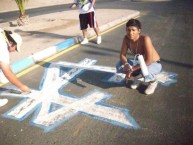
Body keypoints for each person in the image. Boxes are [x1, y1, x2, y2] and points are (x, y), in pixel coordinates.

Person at [116, 19, 162, 95]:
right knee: (120, 64)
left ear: (139, 31)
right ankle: (138, 79)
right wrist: (127, 65)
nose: (130, 33)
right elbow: (122, 55)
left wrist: (132, 70)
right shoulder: (126, 39)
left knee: (145, 71)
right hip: (140, 62)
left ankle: (153, 82)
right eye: (128, 30)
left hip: (153, 63)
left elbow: (148, 61)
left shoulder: (145, 39)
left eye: (133, 30)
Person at [0, 28, 31, 107]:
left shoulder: (3, 34)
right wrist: (21, 86)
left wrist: (10, 76)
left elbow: (7, 67)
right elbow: (6, 71)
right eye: (15, 48)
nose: (13, 51)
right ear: (12, 43)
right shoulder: (3, 46)